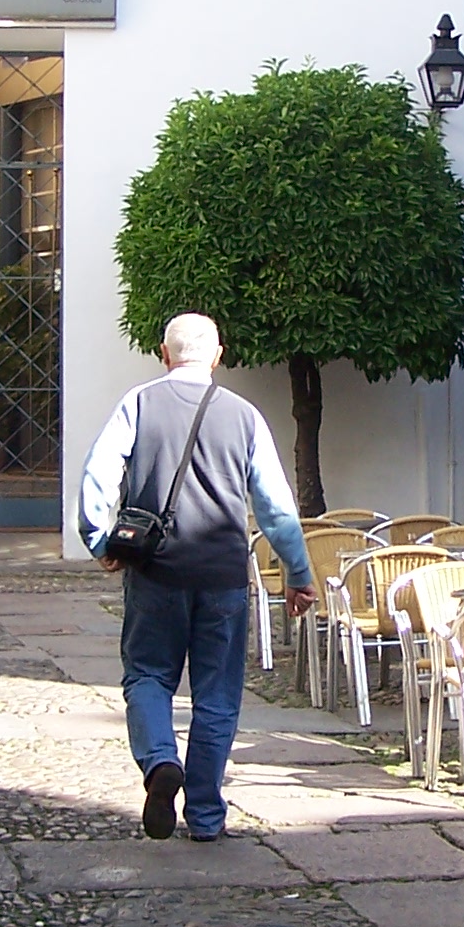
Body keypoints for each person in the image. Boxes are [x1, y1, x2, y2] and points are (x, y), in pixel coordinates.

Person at [78, 312, 315, 841]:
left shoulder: (137, 403)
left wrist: (100, 539)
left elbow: (98, 472)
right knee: (216, 695)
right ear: (218, 355)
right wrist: (297, 573)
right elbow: (276, 507)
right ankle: (206, 814)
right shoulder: (245, 416)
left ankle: (161, 760)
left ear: (164, 354)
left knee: (147, 677)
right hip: (223, 574)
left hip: (156, 570)